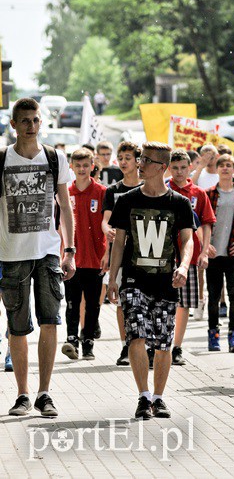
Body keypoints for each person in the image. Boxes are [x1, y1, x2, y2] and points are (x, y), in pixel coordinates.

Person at [107, 142, 194, 419]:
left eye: (146, 160)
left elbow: (188, 240)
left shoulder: (179, 203)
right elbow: (119, 242)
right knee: (136, 335)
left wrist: (183, 265)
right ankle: (144, 396)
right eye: (140, 159)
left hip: (166, 282)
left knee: (163, 344)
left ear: (161, 168)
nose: (139, 164)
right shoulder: (128, 200)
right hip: (134, 280)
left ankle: (159, 397)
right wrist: (112, 278)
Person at [1, 98, 74, 417]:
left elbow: (66, 208)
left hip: (47, 252)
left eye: (36, 120)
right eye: (25, 120)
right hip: (12, 254)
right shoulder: (2, 160)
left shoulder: (55, 158)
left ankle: (45, 393)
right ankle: (22, 394)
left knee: (50, 320)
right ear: (13, 125)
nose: (31, 125)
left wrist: (69, 250)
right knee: (17, 326)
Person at [167, 149, 216, 366]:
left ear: (190, 167)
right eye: (174, 167)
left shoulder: (198, 193)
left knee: (184, 303)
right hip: (165, 256)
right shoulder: (163, 190)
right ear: (169, 168)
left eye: (182, 167)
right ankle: (161, 344)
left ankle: (177, 347)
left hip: (191, 257)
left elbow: (206, 224)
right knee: (164, 302)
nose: (179, 172)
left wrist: (205, 251)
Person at [62, 148, 107, 361]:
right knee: (71, 302)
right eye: (77, 165)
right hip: (72, 259)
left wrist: (107, 254)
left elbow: (109, 223)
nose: (81, 169)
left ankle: (88, 341)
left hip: (95, 258)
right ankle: (71, 339)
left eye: (85, 165)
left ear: (92, 166)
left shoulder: (101, 192)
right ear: (71, 166)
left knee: (92, 304)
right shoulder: (65, 192)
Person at [102, 141, 142, 366]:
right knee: (121, 302)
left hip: (144, 253)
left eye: (128, 158)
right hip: (120, 252)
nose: (124, 162)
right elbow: (106, 220)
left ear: (138, 161)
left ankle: (145, 344)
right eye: (121, 158)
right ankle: (126, 344)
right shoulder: (113, 191)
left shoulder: (147, 188)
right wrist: (107, 229)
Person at [204, 154, 234, 352]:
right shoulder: (209, 194)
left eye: (229, 165)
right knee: (213, 296)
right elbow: (202, 222)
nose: (225, 169)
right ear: (218, 169)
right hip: (214, 253)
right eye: (222, 166)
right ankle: (213, 334)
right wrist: (206, 245)